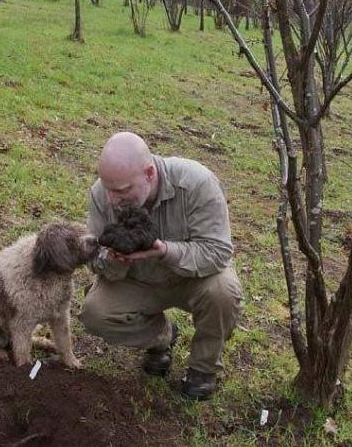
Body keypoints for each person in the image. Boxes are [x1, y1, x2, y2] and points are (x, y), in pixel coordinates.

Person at [79, 132, 242, 400]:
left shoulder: (197, 183)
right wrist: (112, 260)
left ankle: (203, 368)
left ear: (150, 173)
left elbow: (218, 252)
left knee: (223, 292)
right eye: (108, 189)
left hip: (194, 277)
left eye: (121, 191)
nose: (112, 199)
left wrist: (165, 251)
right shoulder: (102, 194)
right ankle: (162, 337)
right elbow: (94, 256)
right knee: (96, 313)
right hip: (138, 278)